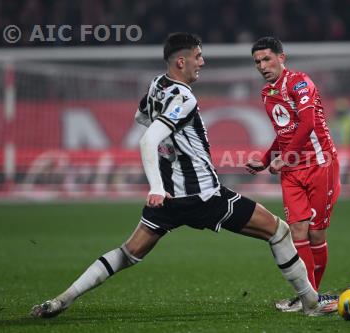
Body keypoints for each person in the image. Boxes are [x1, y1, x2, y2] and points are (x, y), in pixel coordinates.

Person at [31, 32, 333, 319]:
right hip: (204, 195)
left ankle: (61, 300)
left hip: (170, 203)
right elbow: (148, 139)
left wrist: (169, 157)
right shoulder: (185, 98)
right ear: (182, 62)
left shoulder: (155, 87)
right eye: (198, 57)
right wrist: (157, 186)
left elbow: (141, 118)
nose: (202, 63)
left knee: (127, 253)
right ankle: (309, 303)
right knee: (278, 231)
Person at [246, 37, 341, 313]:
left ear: (281, 57)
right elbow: (284, 133)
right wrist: (266, 159)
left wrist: (284, 158)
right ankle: (307, 298)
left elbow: (308, 123)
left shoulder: (300, 82)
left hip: (320, 165)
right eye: (257, 62)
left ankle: (311, 296)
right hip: (291, 172)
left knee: (315, 235)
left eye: (266, 59)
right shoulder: (266, 94)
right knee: (296, 232)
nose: (262, 66)